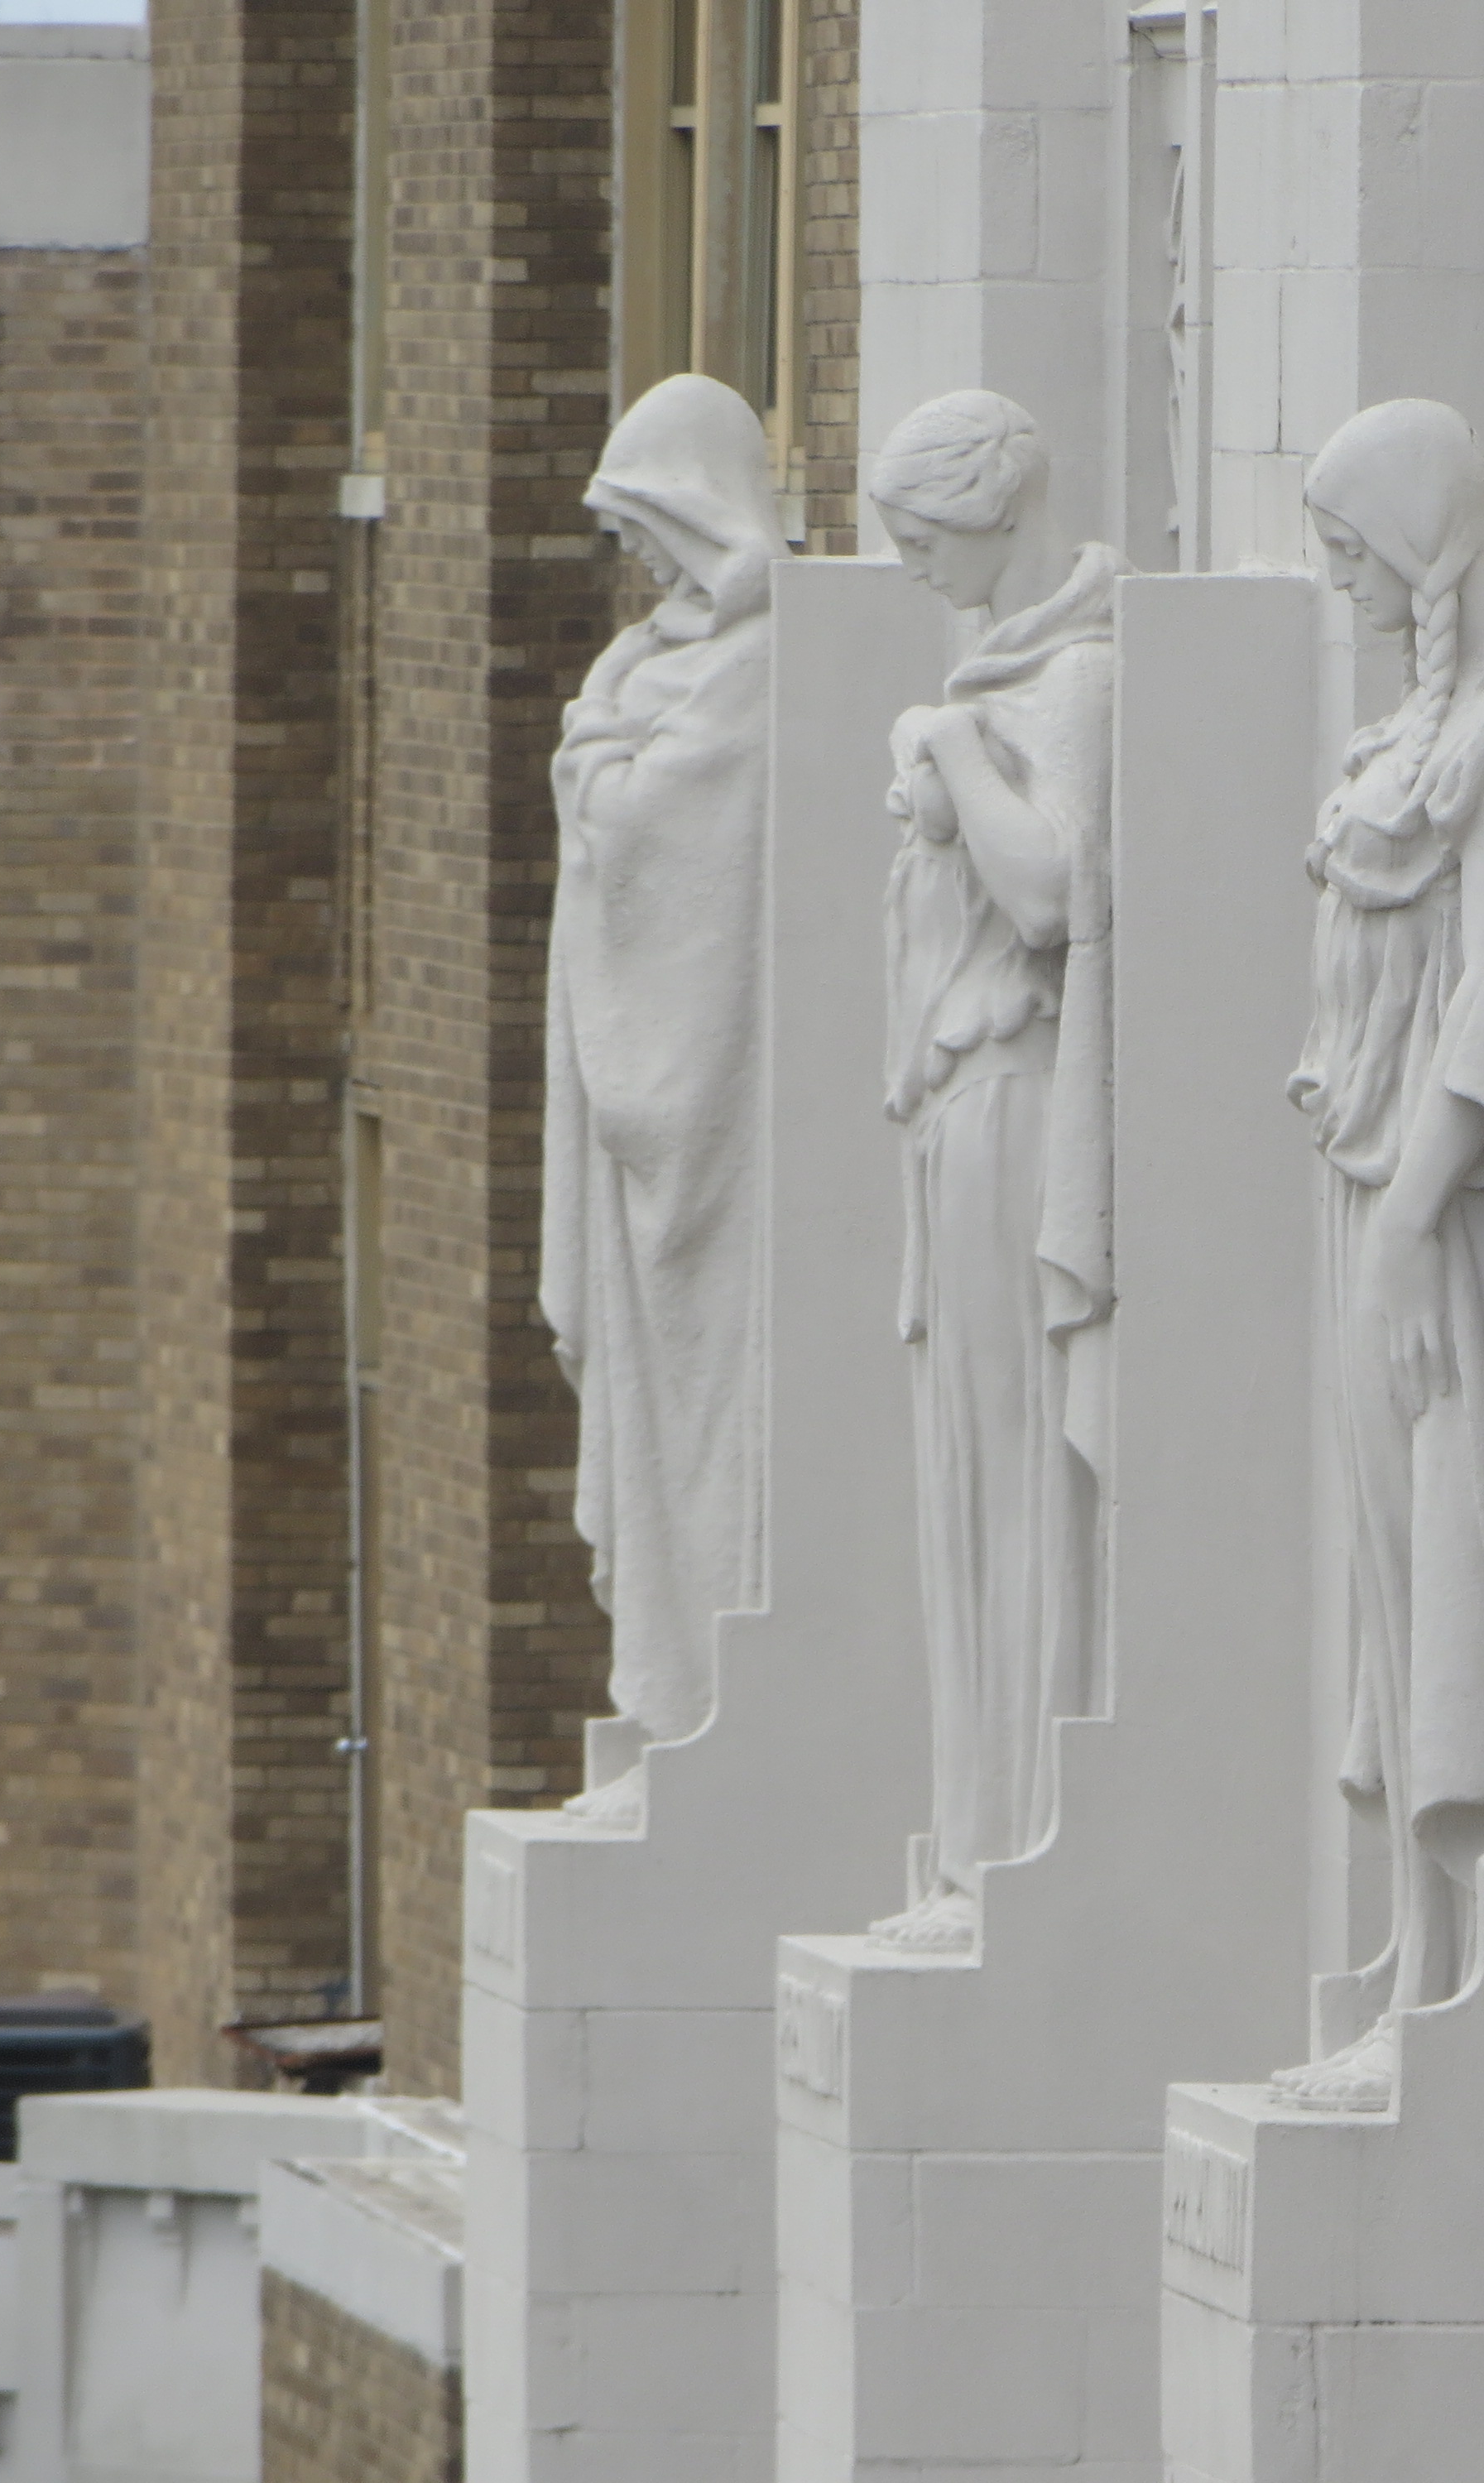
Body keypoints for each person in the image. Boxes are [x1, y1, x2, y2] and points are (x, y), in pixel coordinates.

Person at [1273, 400, 1484, 2111]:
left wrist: (1411, 1211)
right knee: (1384, 1606)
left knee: (1453, 1577)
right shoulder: (1400, 738)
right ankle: (1409, 1958)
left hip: (1439, 1232)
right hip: (1367, 1205)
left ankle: (1455, 1980)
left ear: (1413, 543)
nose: (1335, 581)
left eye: (1346, 550)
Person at [866, 391, 1126, 1951]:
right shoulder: (995, 674)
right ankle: (973, 1837)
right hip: (955, 1115)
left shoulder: (1073, 679)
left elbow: (1050, 900)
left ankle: (1016, 1840)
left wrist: (955, 749)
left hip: (1022, 1104)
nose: (908, 570)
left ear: (996, 511)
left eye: (919, 537)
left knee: (1024, 1482)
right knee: (964, 1482)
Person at [543, 373, 784, 1824]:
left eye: (650, 527)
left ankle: (702, 1705)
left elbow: (655, 825)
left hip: (704, 1109)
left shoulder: (761, 662)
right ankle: (658, 1692)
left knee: (709, 1409)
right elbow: (608, 784)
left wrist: (602, 765)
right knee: (644, 1405)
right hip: (629, 1096)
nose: (638, 565)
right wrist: (602, 755)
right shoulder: (655, 658)